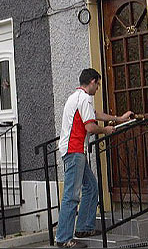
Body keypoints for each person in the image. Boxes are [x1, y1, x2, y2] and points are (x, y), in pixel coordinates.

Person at [56, 68, 132, 248]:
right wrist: (105, 130)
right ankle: (64, 238)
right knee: (71, 195)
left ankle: (83, 227)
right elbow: (90, 126)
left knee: (90, 187)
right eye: (97, 83)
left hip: (74, 151)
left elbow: (95, 115)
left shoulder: (77, 97)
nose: (98, 88)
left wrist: (119, 119)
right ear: (91, 81)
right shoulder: (83, 98)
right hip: (74, 151)